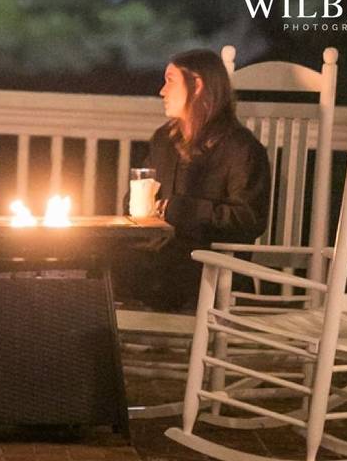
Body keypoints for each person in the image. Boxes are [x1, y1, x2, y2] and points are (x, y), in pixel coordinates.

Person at [116, 48, 271, 312]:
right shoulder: (164, 140)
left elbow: (249, 219)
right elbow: (142, 194)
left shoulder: (242, 149)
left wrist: (183, 210)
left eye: (170, 80)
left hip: (210, 266)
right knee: (99, 257)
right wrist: (137, 203)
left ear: (197, 85)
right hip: (160, 256)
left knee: (159, 268)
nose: (162, 91)